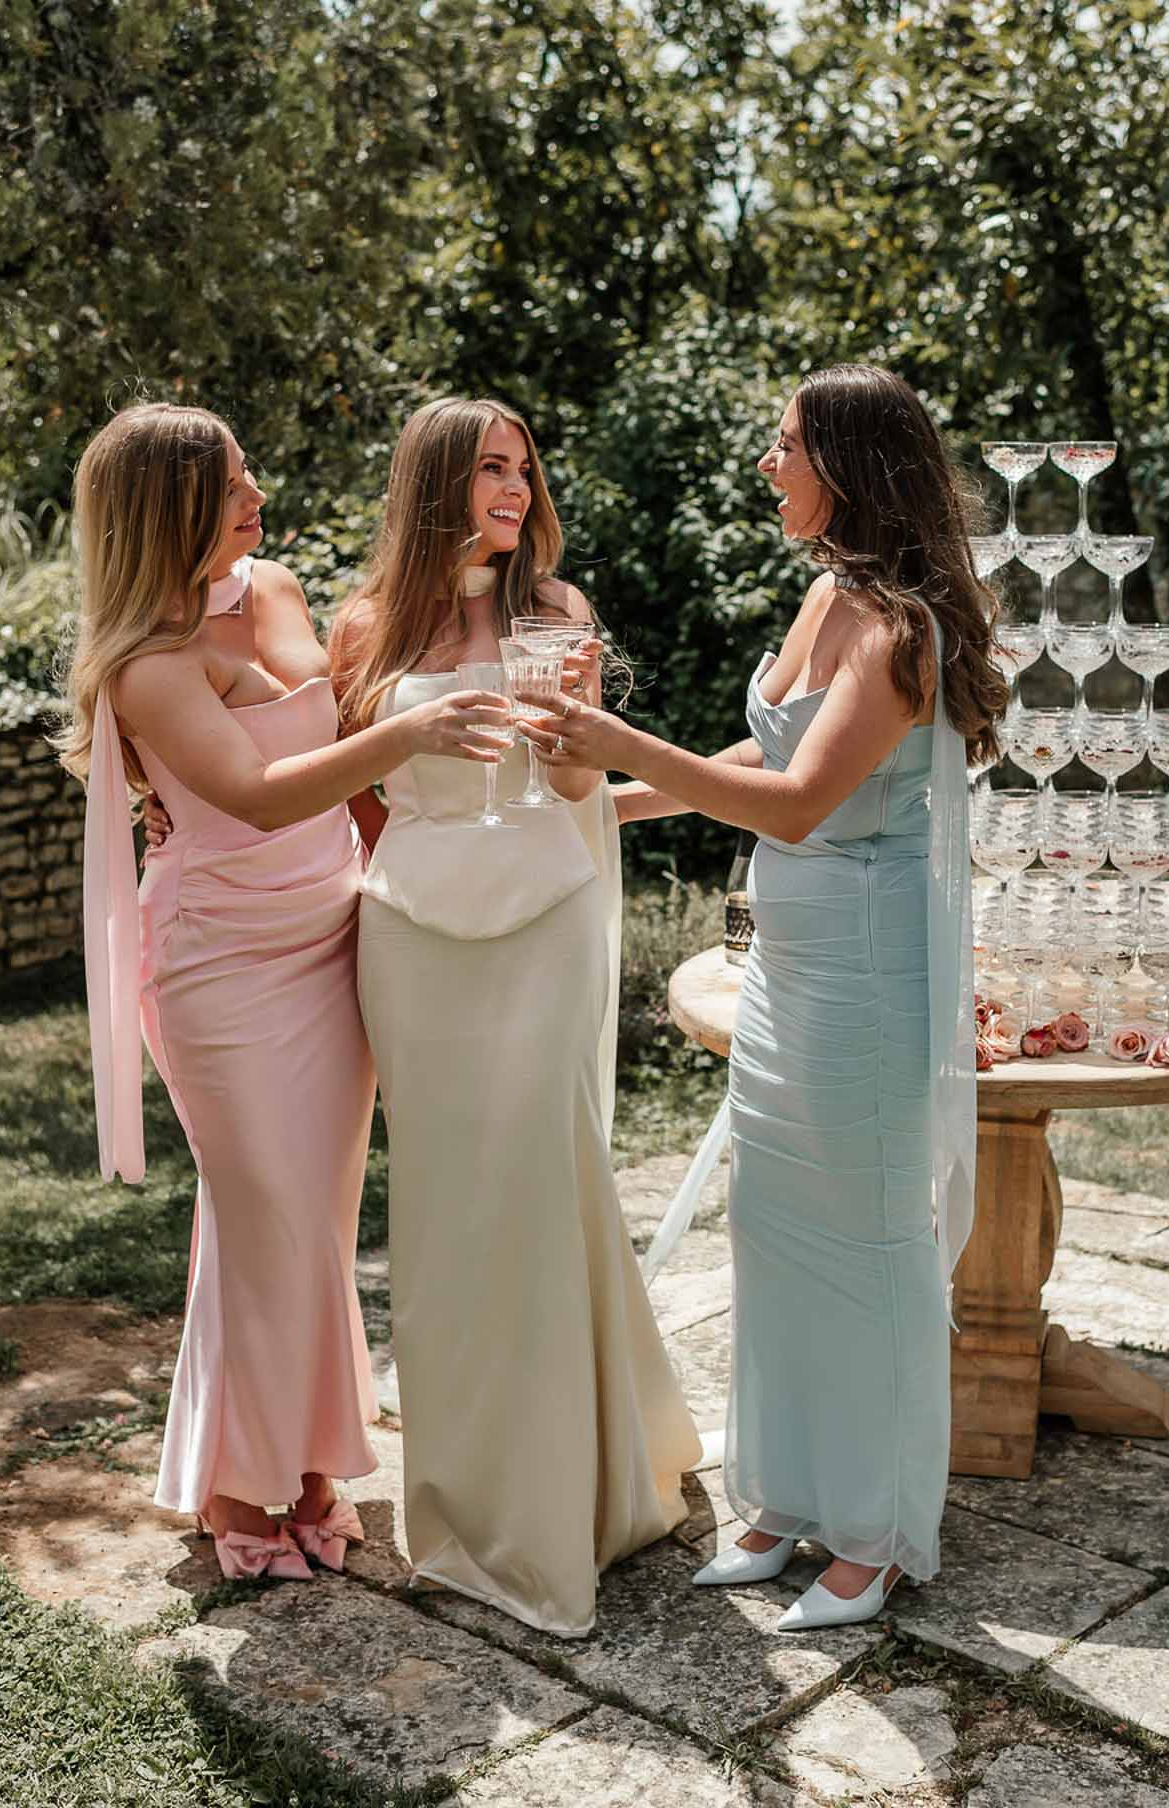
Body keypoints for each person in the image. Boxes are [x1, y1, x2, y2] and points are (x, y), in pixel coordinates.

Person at [525, 363, 1006, 1631]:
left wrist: (619, 740)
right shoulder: (828, 594)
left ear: (847, 462)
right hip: (789, 970)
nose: (767, 462)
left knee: (873, 1249)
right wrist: (613, 802)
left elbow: (804, 805)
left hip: (868, 972)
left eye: (784, 442)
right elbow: (769, 749)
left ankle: (881, 1530)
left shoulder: (900, 629)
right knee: (780, 1234)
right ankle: (788, 1498)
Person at [60, 402, 509, 1579]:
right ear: (170, 511)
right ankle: (241, 1486)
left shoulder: (280, 588)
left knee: (311, 1221)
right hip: (219, 960)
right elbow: (259, 793)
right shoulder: (142, 669)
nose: (258, 496)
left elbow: (343, 733)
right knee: (265, 1217)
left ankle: (305, 1467)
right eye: (234, 484)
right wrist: (418, 739)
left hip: (335, 936)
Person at [331, 393, 701, 1639]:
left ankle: (568, 1503)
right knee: (443, 1204)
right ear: (436, 479)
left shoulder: (559, 614)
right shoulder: (364, 624)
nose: (514, 487)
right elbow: (353, 798)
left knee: (543, 1182)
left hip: (546, 912)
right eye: (490, 466)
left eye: (524, 467)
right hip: (414, 933)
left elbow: (581, 781)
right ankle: (460, 1496)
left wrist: (580, 720)